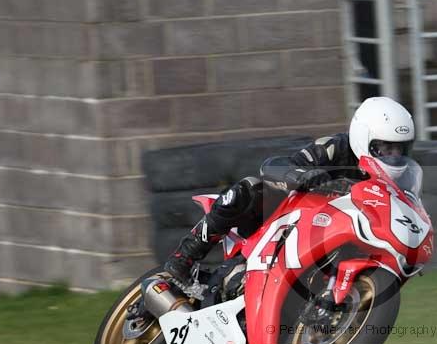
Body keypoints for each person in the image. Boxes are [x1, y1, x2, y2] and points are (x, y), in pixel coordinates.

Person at [164, 96, 417, 285]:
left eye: (400, 149)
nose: (394, 156)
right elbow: (275, 166)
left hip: (341, 237)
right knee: (250, 189)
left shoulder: (403, 178)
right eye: (386, 148)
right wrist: (304, 175)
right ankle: (185, 256)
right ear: (364, 137)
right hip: (293, 223)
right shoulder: (335, 148)